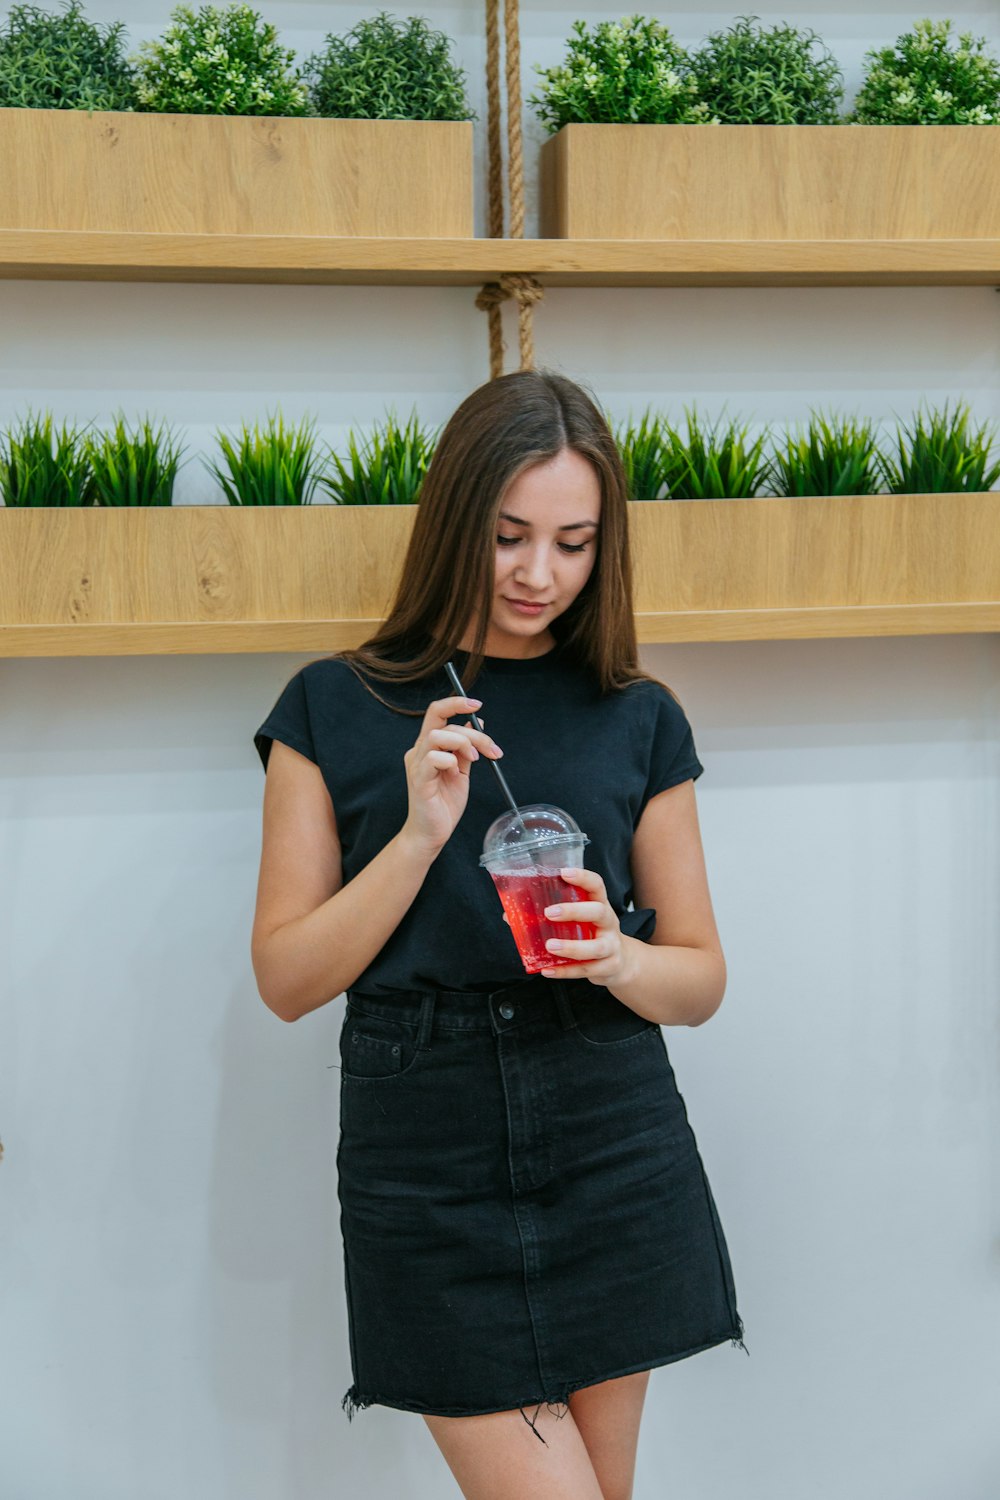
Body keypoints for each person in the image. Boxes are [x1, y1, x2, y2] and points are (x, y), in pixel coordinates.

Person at [251, 369, 746, 1500]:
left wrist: (615, 955)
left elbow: (702, 977)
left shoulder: (638, 713)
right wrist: (421, 836)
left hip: (610, 1131)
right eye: (509, 535)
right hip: (427, 1154)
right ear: (454, 521)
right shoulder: (333, 707)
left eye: (573, 543)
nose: (538, 575)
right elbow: (285, 977)